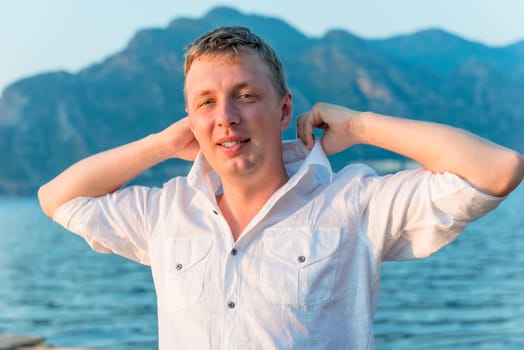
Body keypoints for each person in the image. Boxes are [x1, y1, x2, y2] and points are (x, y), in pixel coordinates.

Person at [38, 26, 524, 349]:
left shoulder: (353, 203)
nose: (226, 116)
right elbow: (57, 198)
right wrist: (161, 144)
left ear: (284, 111)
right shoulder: (167, 213)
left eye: (245, 96)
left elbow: (497, 169)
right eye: (205, 103)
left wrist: (359, 125)